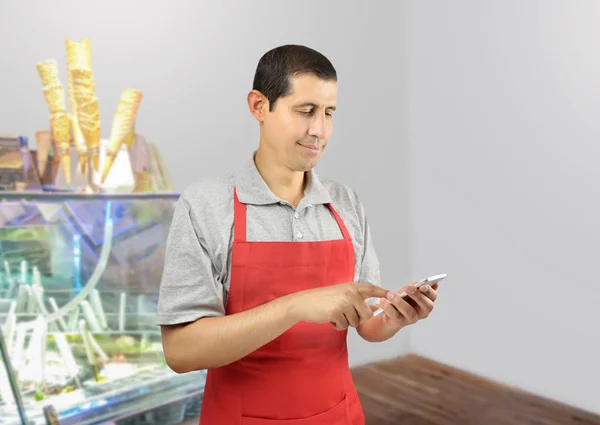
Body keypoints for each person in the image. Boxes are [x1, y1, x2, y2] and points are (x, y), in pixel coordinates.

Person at [156, 44, 439, 425]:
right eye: (305, 111)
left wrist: (395, 317)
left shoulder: (344, 203)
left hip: (338, 414)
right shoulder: (205, 205)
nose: (319, 130)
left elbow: (367, 321)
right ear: (259, 106)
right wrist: (295, 306)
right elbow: (181, 351)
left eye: (328, 113)